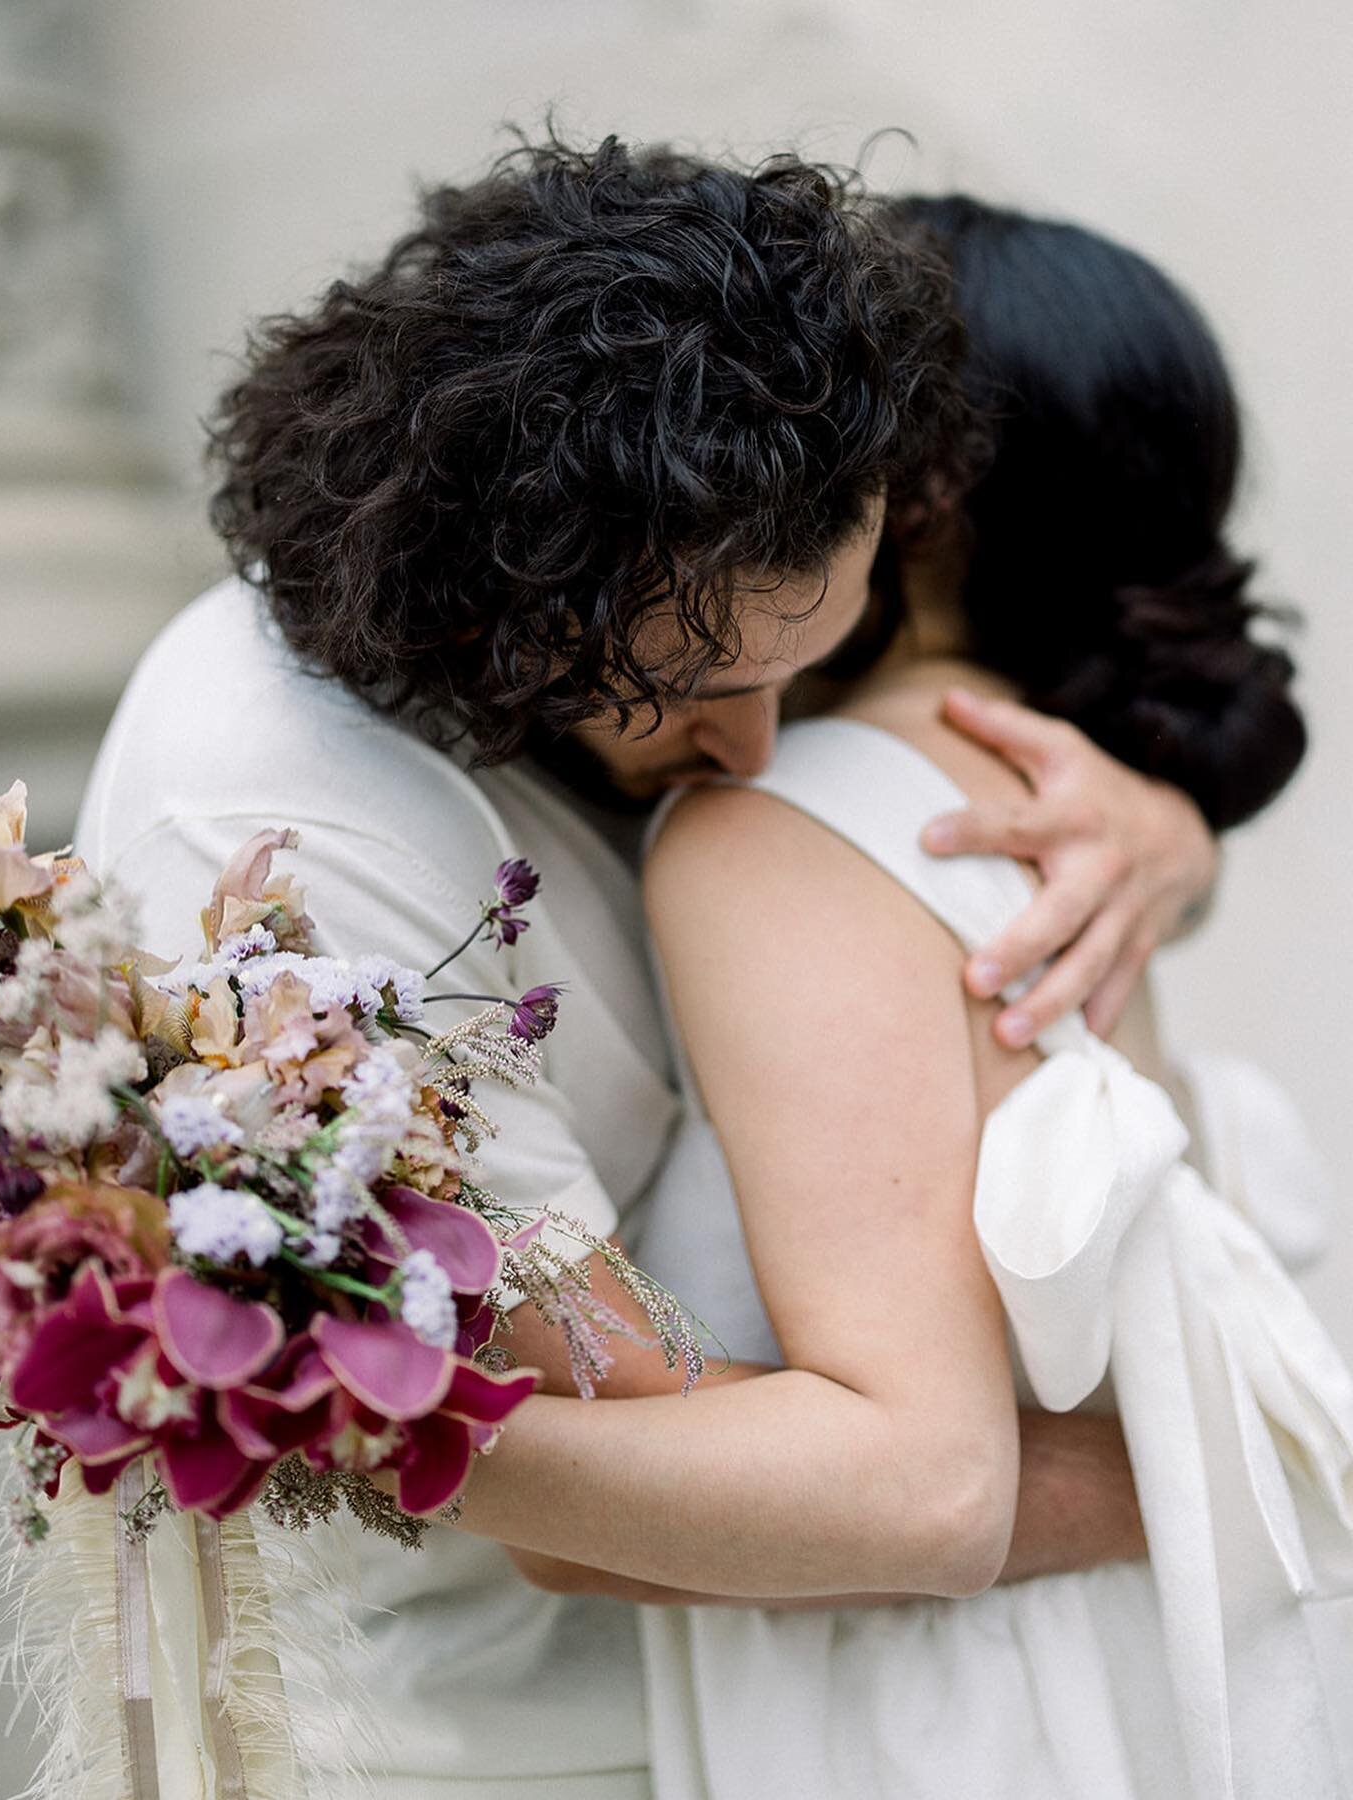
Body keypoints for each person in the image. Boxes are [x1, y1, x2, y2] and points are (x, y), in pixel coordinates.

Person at [77, 142, 1220, 1798]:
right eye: (699, 684)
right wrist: (1212, 1473)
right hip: (495, 1735)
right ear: (500, 595)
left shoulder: (648, 589)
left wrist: (1165, 839)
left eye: (809, 667)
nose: (758, 750)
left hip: (777, 1684)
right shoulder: (296, 866)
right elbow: (657, 1461)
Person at [573, 197, 1348, 1797]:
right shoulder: (1088, 807)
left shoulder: (773, 825)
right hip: (1162, 1671)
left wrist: (427, 1451)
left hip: (946, 1715)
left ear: (904, 489)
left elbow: (918, 1478)